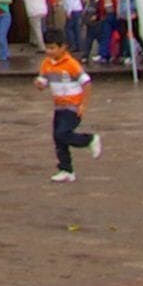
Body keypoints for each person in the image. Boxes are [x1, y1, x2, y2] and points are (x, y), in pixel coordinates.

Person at [36, 34, 98, 179]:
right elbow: (43, 82)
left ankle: (89, 140)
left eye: (53, 48)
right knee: (58, 140)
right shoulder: (46, 64)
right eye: (47, 47)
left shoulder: (72, 64)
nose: (49, 51)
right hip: (59, 107)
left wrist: (83, 104)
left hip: (73, 107)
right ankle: (66, 170)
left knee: (62, 134)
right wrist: (39, 84)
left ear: (63, 47)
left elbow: (86, 83)